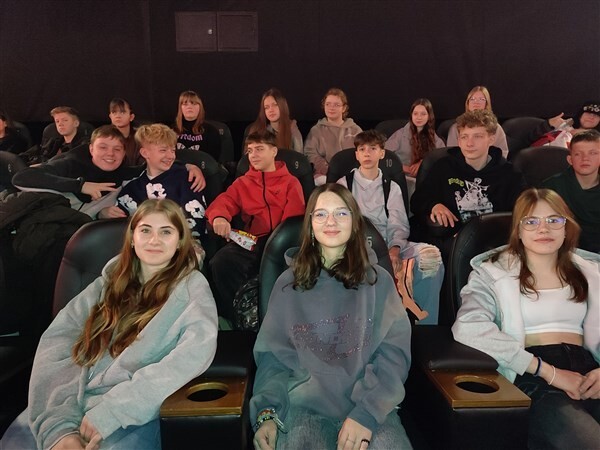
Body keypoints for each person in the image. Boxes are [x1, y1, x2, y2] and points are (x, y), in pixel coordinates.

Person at [0, 198, 218, 450]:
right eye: (145, 230)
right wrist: (59, 427)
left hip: (131, 413)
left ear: (180, 241)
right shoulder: (105, 284)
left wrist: (112, 412)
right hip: (65, 404)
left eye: (166, 232)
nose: (154, 240)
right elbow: (57, 344)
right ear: (132, 238)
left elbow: (192, 356)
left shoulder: (191, 288)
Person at [250, 183, 412, 450]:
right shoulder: (288, 284)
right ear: (310, 225)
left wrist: (366, 413)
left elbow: (393, 356)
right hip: (303, 408)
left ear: (355, 224)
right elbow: (273, 358)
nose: (331, 221)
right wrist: (267, 413)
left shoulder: (379, 282)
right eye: (321, 214)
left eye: (341, 213)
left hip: (369, 407)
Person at [452, 188, 600, 450]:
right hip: (533, 372)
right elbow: (468, 326)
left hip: (591, 371)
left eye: (554, 220)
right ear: (518, 231)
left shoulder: (592, 272)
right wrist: (549, 372)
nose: (544, 228)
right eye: (531, 221)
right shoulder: (491, 273)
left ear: (566, 227)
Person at [338, 129, 444, 324]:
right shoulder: (344, 185)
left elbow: (398, 223)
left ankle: (425, 325)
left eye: (373, 149)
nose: (367, 153)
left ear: (382, 153)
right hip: (356, 246)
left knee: (431, 257)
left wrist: (394, 249)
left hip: (388, 244)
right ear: (356, 155)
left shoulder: (391, 187)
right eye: (362, 149)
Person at [206, 130, 305, 323]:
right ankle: (238, 315)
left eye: (259, 149)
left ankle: (276, 317)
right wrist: (219, 217)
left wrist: (278, 242)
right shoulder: (243, 182)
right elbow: (225, 201)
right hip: (252, 241)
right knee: (220, 261)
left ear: (274, 151)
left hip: (280, 242)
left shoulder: (290, 183)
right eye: (250, 150)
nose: (253, 155)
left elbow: (294, 221)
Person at [410, 110, 526, 257]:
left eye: (477, 136)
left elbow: (521, 211)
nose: (469, 143)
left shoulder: (509, 173)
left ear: (491, 139)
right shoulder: (443, 167)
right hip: (449, 241)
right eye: (464, 137)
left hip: (493, 243)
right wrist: (434, 205)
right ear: (458, 141)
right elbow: (417, 200)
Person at [110, 123, 208, 264]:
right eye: (163, 150)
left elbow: (196, 222)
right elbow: (122, 219)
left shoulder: (187, 179)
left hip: (183, 243)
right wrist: (105, 213)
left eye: (173, 150)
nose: (170, 156)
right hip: (144, 245)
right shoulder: (133, 186)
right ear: (145, 153)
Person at [542, 129, 600, 253]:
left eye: (593, 153)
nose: (585, 158)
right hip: (562, 252)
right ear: (570, 159)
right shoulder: (551, 187)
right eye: (578, 154)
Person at [384, 99, 445, 198]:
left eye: (423, 114)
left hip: (423, 178)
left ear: (429, 116)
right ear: (411, 115)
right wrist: (404, 168)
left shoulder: (433, 137)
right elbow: (383, 155)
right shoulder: (400, 134)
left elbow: (442, 157)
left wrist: (423, 163)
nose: (419, 117)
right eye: (415, 114)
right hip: (401, 177)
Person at [304, 87, 362, 185]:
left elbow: (363, 151)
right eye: (328, 104)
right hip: (324, 175)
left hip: (351, 174)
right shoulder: (316, 130)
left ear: (344, 108)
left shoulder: (355, 130)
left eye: (336, 105)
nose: (331, 108)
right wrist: (329, 170)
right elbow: (310, 153)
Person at [446, 86, 509, 158]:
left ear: (486, 103)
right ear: (467, 103)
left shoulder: (495, 128)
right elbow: (451, 153)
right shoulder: (456, 127)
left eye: (481, 99)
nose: (476, 102)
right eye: (472, 99)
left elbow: (502, 153)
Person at [19, 106, 87, 164]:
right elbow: (27, 154)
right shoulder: (54, 142)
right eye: (57, 121)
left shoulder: (83, 145)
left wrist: (42, 165)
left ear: (76, 123)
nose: (60, 124)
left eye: (65, 120)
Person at [247, 88, 303, 153]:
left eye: (275, 105)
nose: (271, 110)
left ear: (282, 106)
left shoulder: (292, 130)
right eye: (267, 107)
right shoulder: (257, 130)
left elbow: (300, 157)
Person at [173, 90, 221, 162]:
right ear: (180, 108)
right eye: (185, 104)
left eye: (194, 103)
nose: (189, 107)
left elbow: (212, 160)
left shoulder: (211, 131)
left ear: (200, 107)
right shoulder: (171, 130)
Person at [531, 101, 600, 148]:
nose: (591, 117)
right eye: (588, 113)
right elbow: (529, 140)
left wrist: (589, 135)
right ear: (580, 115)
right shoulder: (562, 124)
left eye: (596, 115)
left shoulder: (596, 138)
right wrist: (548, 125)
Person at [108, 98, 140, 166]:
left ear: (131, 117)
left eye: (122, 112)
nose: (118, 116)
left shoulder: (139, 138)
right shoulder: (104, 137)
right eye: (114, 112)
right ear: (110, 116)